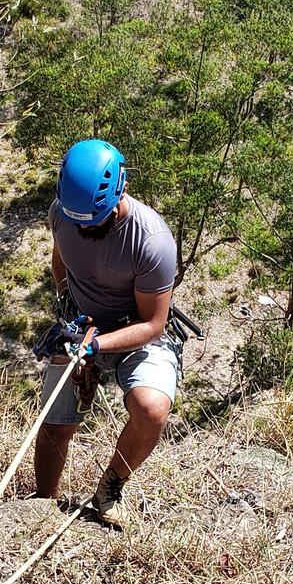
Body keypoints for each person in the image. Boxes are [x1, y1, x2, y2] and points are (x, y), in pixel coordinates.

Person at [34, 139, 180, 529]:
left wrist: (96, 346)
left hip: (137, 330)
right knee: (56, 423)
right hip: (83, 324)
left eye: (93, 221)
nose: (84, 229)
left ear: (122, 190)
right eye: (78, 220)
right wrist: (70, 310)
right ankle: (41, 506)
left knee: (151, 409)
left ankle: (111, 487)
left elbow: (154, 324)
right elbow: (61, 262)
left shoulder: (151, 241)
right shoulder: (63, 214)